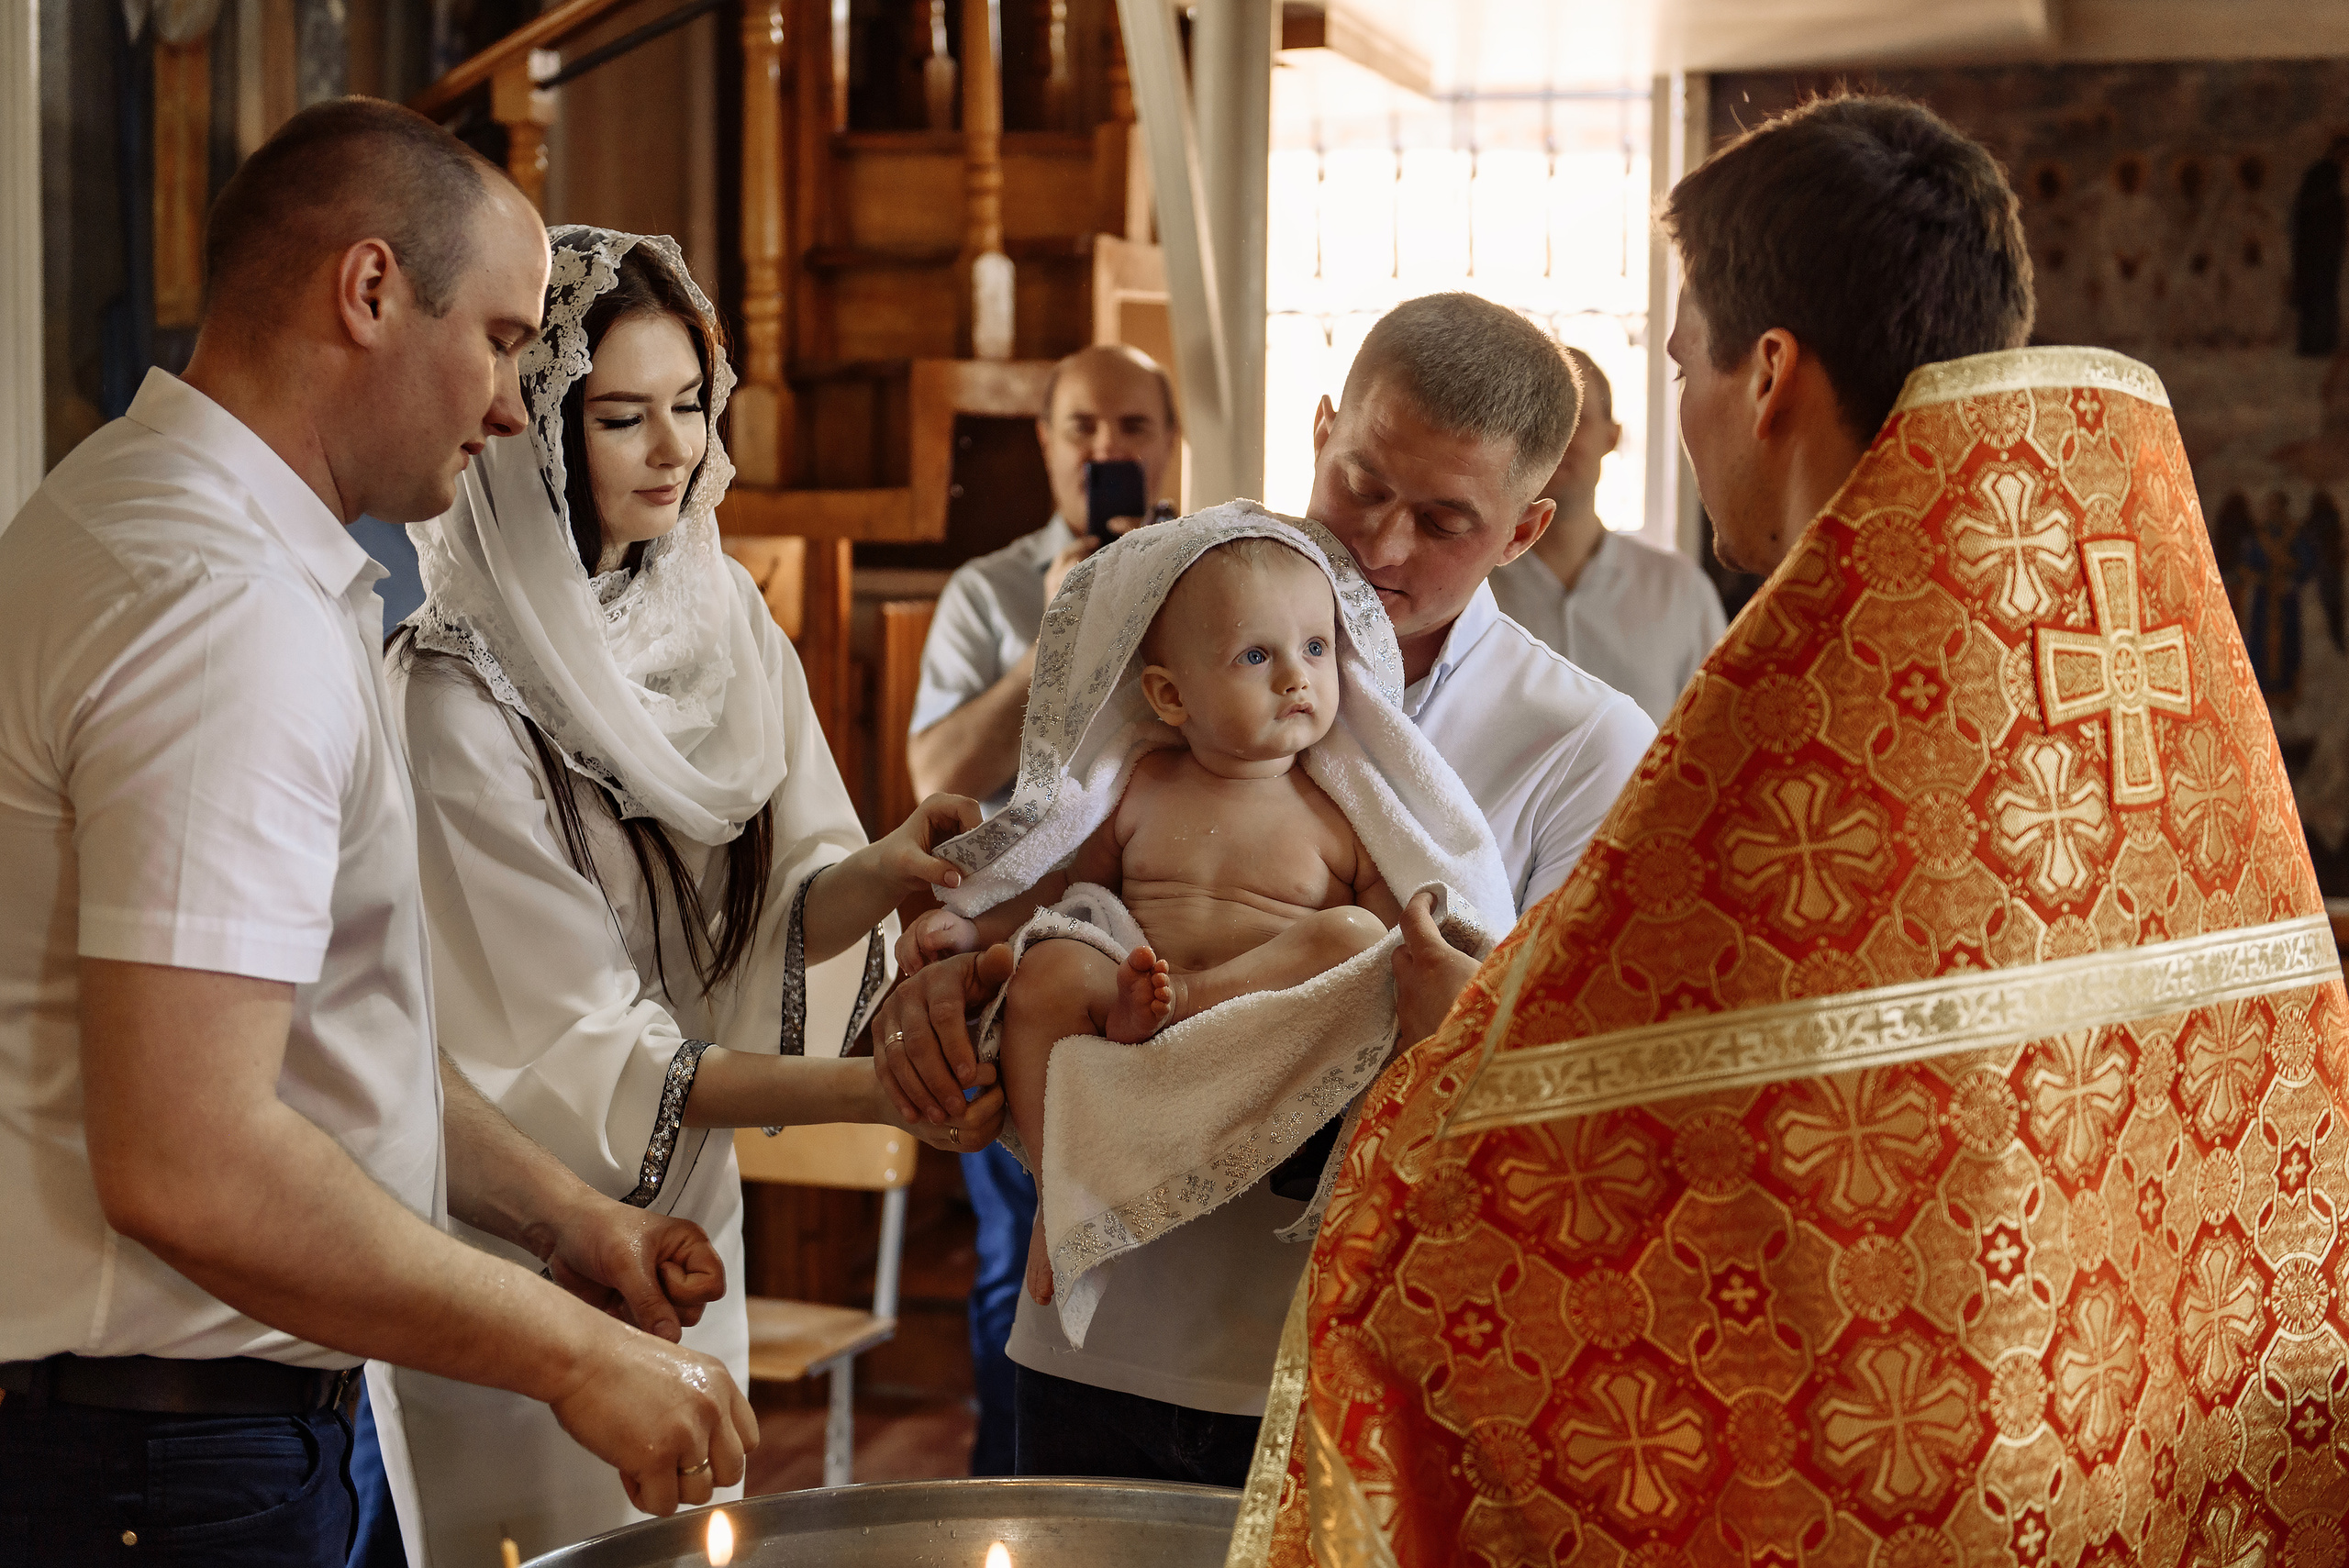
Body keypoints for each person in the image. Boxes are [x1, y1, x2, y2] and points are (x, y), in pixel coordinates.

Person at [1230, 93, 2349, 1567]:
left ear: (1766, 374)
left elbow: (1587, 1177)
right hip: (2089, 1461)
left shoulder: (1809, 721)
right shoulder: (2122, 647)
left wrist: (1456, 1053)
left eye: (1680, 364)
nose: (1683, 418)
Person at [0, 100, 756, 1567]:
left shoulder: (145, 518)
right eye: (501, 339)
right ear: (367, 291)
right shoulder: (219, 607)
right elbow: (194, 1161)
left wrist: (559, 1217)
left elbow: (304, 1044)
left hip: (178, 1438)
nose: (513, 407)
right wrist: (574, 1355)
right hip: (167, 1461)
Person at [877, 294, 1655, 1485]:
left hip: (1350, 1365)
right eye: (1362, 484)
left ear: (1524, 528)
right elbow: (1049, 869)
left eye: (1444, 520)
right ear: (1321, 428)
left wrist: (1446, 1014)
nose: (1382, 545)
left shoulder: (1584, 743)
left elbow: (1568, 1094)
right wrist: (952, 986)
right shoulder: (1166, 634)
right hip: (1095, 1336)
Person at [386, 226, 1006, 1561]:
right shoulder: (456, 695)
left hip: (686, 1214)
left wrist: (886, 867)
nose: (674, 449)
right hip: (517, 1234)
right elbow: (576, 1047)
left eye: (689, 404)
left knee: (685, 1537)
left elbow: (767, 923)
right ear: (528, 436)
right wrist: (876, 1093)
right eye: (622, 417)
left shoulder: (718, 612)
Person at [905, 536, 1401, 1305]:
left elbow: (1397, 948)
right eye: (1256, 656)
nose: (1297, 675)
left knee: (1359, 939)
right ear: (1171, 697)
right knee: (1049, 964)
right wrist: (973, 928)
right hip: (1130, 1003)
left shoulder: (1339, 812)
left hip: (1259, 1024)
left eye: (1315, 647)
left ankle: (1189, 997)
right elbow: (1061, 886)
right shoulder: (1142, 784)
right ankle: (1059, 1196)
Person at [904, 340, 1180, 1476]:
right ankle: (1007, 1502)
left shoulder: (1203, 572)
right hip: (1011, 963)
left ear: (1171, 443)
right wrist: (1050, 641)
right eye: (1083, 427)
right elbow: (932, 774)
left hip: (1164, 958)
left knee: (1159, 1247)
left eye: (1132, 427)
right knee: (1018, 1254)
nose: (1106, 448)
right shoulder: (988, 590)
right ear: (1046, 441)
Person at [1489, 347, 1728, 725]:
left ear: (1612, 436)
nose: (1552, 436)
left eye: (1574, 418)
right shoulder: (1468, 585)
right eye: (1534, 419)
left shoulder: (1680, 592)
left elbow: (1715, 732)